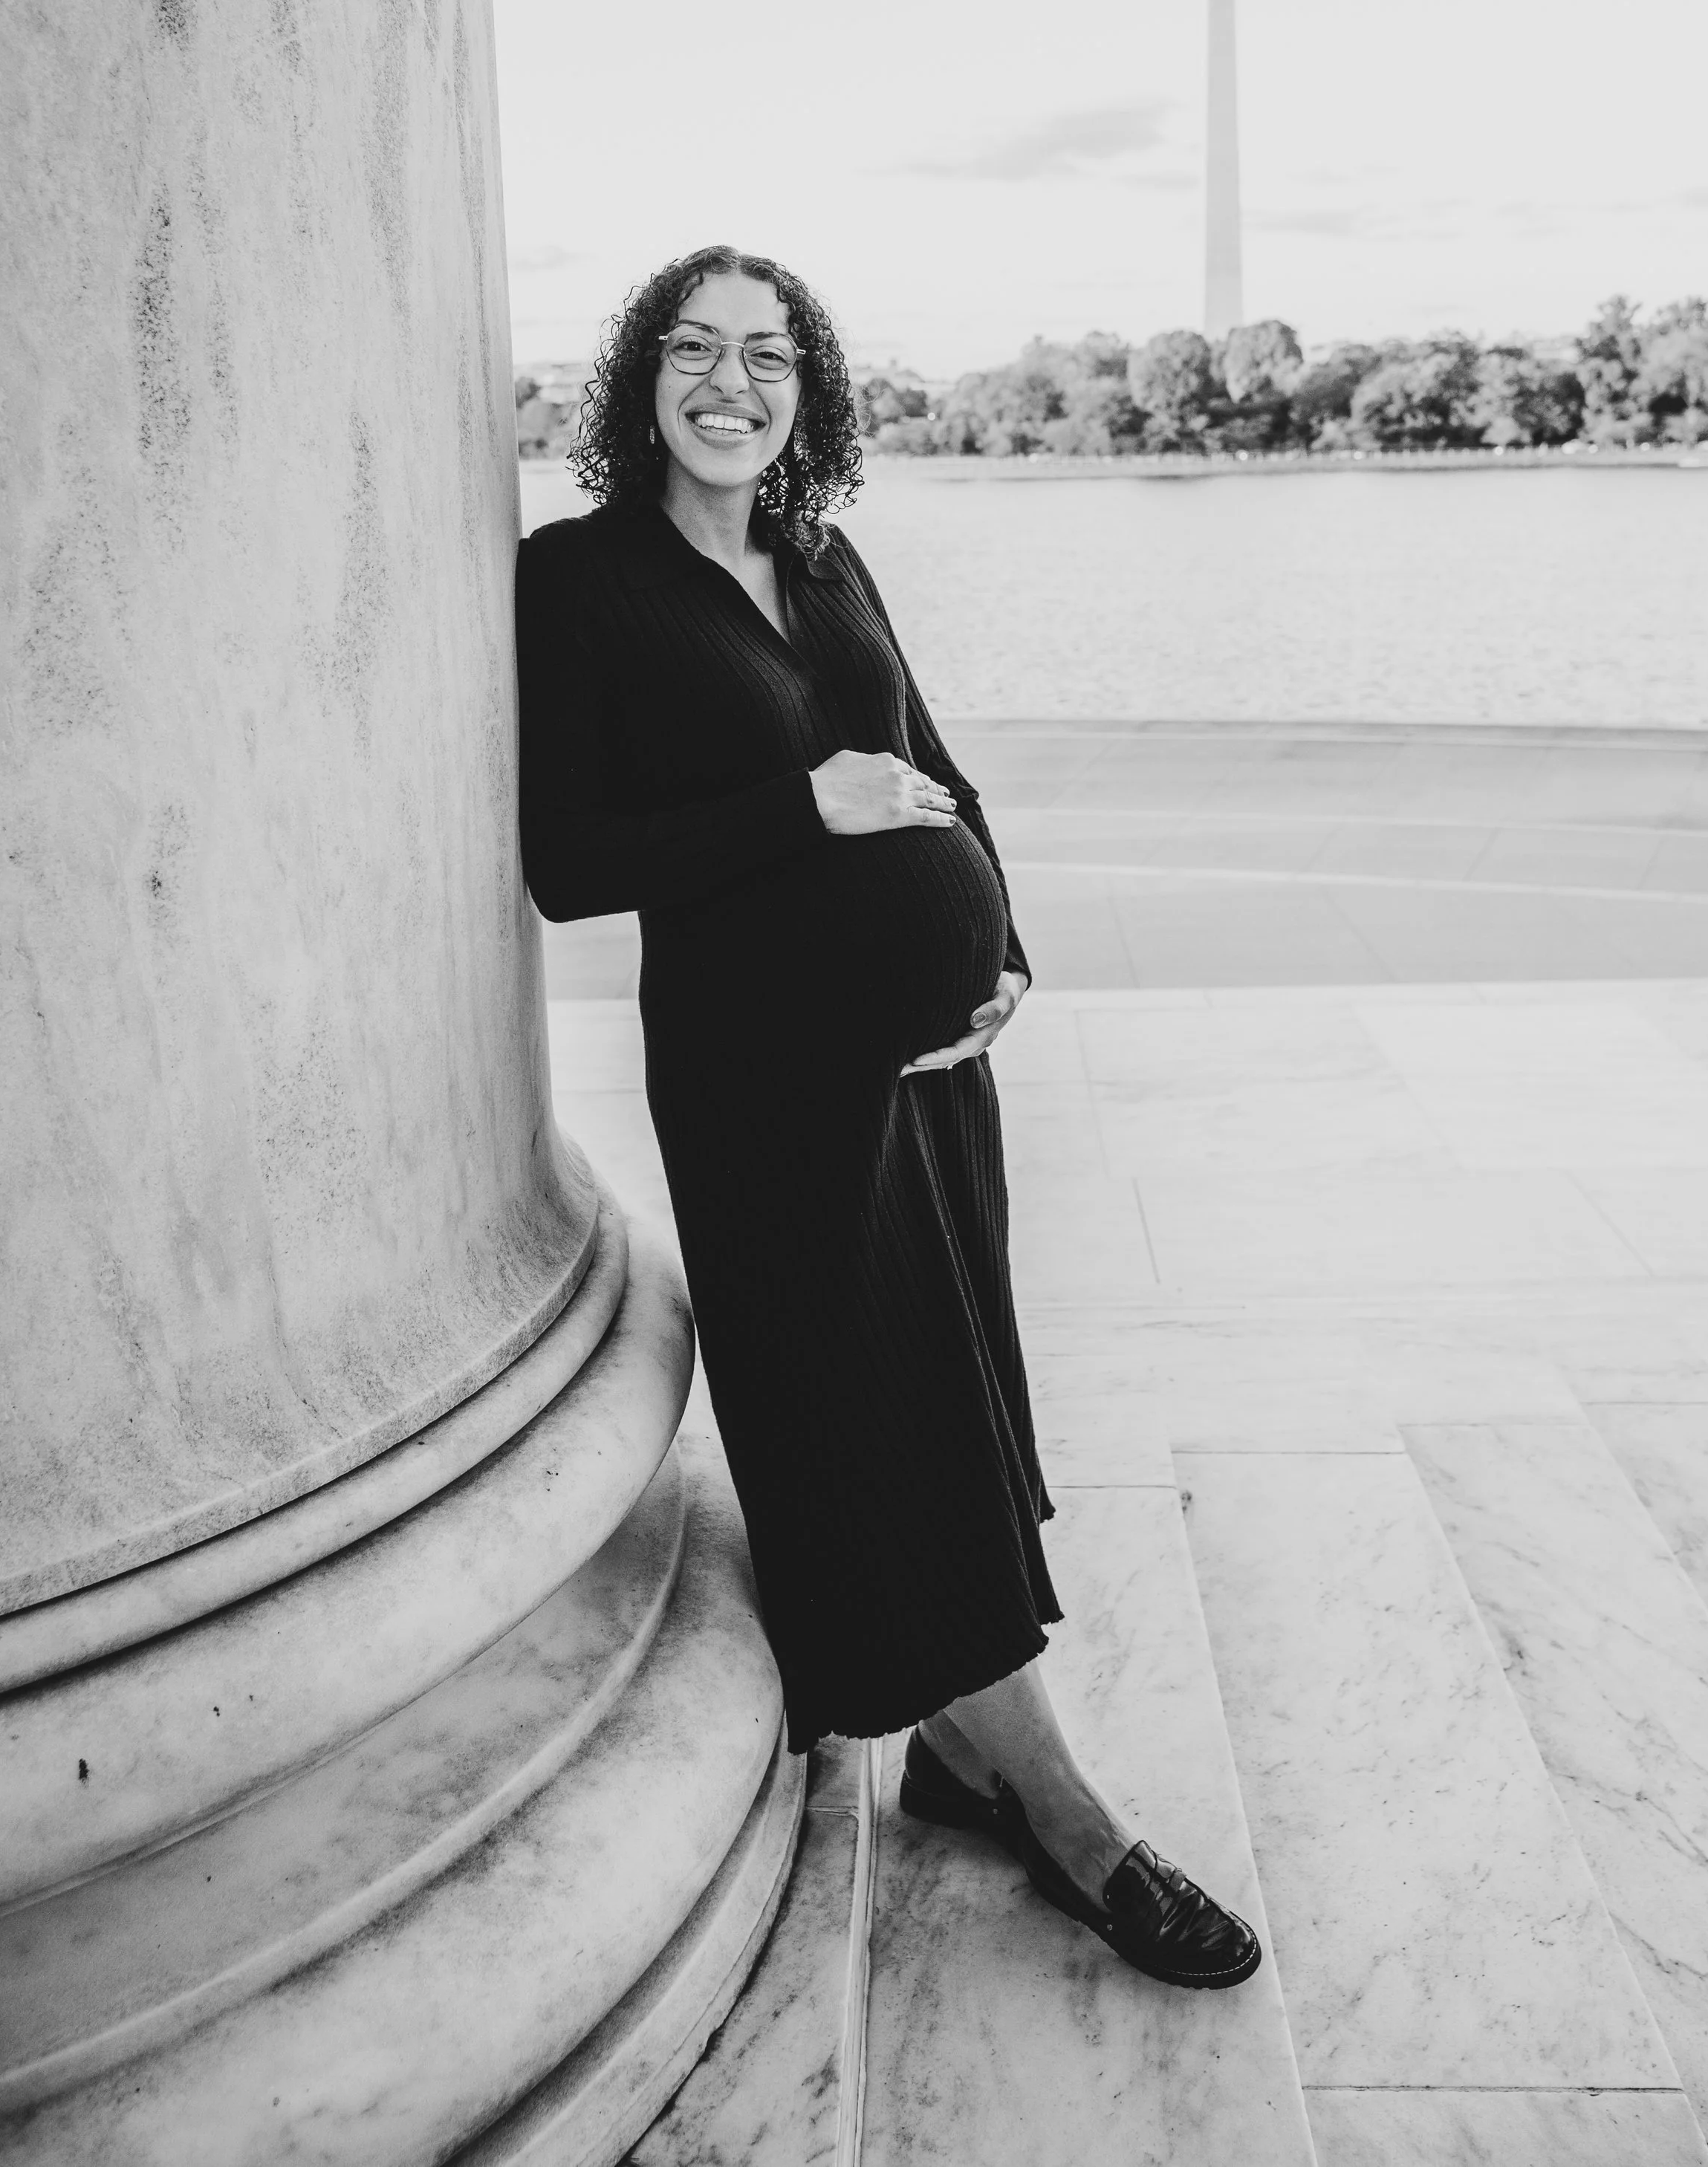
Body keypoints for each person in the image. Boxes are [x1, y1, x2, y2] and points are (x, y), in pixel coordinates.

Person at [514, 244, 1259, 1990]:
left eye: (765, 356)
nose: (730, 383)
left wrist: (999, 947)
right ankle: (1069, 1817)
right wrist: (802, 804)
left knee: (956, 1388)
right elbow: (569, 866)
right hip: (759, 1082)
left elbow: (937, 765)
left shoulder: (822, 552)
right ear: (640, 385)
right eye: (692, 352)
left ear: (807, 387)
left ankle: (954, 1754)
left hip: (925, 1076)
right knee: (871, 1416)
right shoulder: (579, 581)